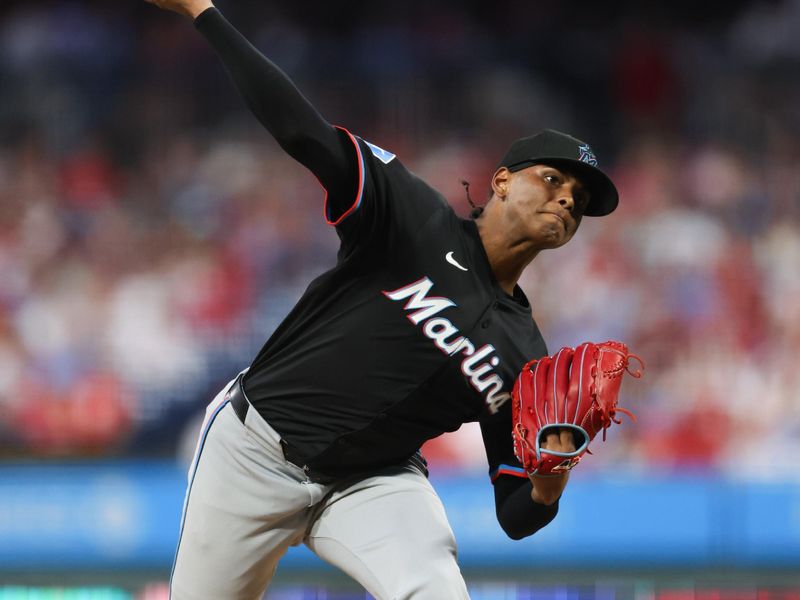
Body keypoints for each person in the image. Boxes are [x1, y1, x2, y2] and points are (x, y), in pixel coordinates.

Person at [146, 1, 620, 598]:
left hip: (373, 483)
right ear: (501, 180)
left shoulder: (525, 353)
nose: (568, 200)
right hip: (255, 451)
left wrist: (548, 484)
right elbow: (301, 131)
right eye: (553, 180)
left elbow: (514, 512)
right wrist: (202, 11)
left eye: (579, 198)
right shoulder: (411, 216)